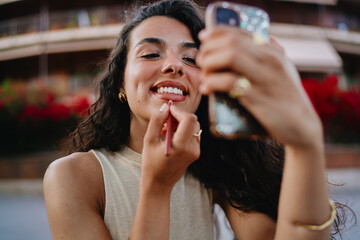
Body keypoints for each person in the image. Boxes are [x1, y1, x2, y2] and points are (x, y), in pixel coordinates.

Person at [43, 1, 348, 239]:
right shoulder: (73, 177)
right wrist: (157, 186)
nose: (175, 65)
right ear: (120, 84)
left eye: (191, 59)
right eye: (151, 54)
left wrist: (306, 144)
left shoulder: (212, 164)